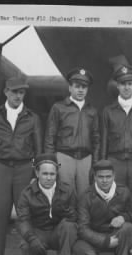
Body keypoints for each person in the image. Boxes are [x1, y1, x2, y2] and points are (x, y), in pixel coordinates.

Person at [0, 76, 43, 255]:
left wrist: (37, 175)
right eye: (14, 91)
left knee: (26, 215)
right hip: (1, 169)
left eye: (21, 92)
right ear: (6, 92)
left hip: (25, 169)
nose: (18, 95)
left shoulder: (33, 118)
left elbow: (39, 150)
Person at [15, 153, 78, 255]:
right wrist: (32, 239)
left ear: (57, 174)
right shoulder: (27, 194)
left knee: (69, 225)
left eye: (52, 174)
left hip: (57, 232)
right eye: (45, 174)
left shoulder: (67, 190)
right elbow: (23, 220)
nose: (49, 178)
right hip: (38, 233)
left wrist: (65, 211)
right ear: (37, 173)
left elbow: (76, 215)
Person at [74, 160, 132, 255]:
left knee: (128, 228)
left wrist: (123, 217)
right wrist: (105, 240)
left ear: (114, 176)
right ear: (94, 177)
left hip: (116, 235)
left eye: (108, 176)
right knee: (78, 247)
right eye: (101, 177)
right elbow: (82, 228)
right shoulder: (85, 196)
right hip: (94, 237)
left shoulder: (124, 191)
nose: (105, 180)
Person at [44, 67, 100, 197]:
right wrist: (50, 161)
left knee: (85, 195)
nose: (80, 90)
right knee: (65, 194)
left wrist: (95, 162)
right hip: (64, 156)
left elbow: (96, 139)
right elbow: (50, 136)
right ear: (70, 88)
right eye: (77, 86)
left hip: (86, 158)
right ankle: (67, 218)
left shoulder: (92, 111)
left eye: (84, 87)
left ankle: (82, 218)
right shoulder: (59, 108)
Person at [100, 64, 132, 192]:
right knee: (116, 195)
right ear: (117, 86)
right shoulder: (108, 111)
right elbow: (104, 139)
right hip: (115, 160)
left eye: (129, 83)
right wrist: (103, 163)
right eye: (123, 84)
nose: (126, 87)